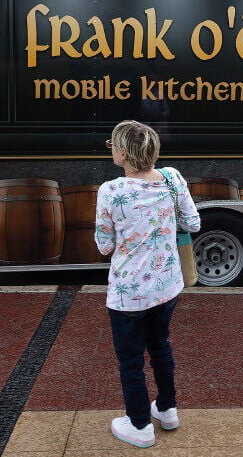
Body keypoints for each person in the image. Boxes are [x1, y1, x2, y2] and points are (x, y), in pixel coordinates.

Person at [95, 120, 201, 448]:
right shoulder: (172, 178)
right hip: (167, 284)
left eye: (111, 145)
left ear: (124, 153)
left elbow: (104, 245)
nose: (110, 149)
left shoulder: (111, 190)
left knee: (130, 361)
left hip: (129, 294)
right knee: (160, 347)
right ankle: (167, 410)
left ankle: (140, 425)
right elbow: (193, 223)